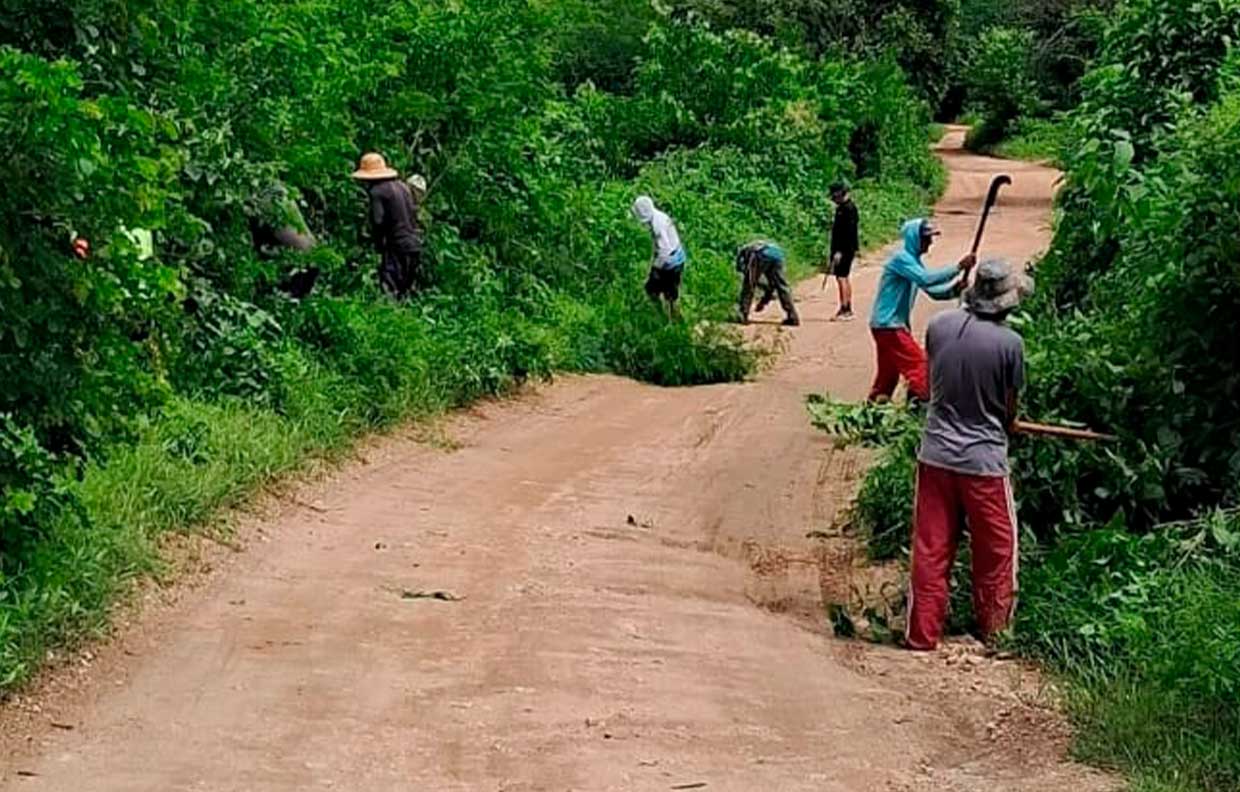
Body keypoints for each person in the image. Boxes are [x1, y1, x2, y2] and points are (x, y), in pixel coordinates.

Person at [905, 259, 1034, 651]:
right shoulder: (1011, 344)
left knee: (930, 547)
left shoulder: (939, 326)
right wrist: (1010, 422)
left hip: (936, 456)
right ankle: (995, 632)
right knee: (997, 548)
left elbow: (933, 379)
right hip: (984, 464)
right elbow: (1008, 409)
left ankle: (921, 635)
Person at [868, 218, 976, 403]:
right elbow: (926, 279)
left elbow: (933, 291)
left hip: (885, 325)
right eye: (926, 238)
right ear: (914, 238)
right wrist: (958, 268)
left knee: (888, 374)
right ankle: (919, 404)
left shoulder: (913, 263)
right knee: (919, 366)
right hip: (889, 325)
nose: (930, 243)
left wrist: (954, 289)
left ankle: (872, 413)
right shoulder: (901, 259)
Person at [352, 152, 423, 299]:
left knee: (390, 288)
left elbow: (378, 221)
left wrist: (377, 244)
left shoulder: (377, 191)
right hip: (414, 243)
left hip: (397, 244)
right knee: (405, 291)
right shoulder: (403, 187)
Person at [632, 196, 687, 319]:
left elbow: (665, 250)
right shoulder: (658, 216)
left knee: (658, 292)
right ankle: (670, 319)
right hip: (675, 259)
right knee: (668, 294)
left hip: (671, 262)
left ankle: (667, 319)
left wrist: (655, 267)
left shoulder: (658, 224)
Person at [736, 239, 799, 326]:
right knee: (781, 286)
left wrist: (749, 276)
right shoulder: (756, 245)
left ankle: (743, 315)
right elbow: (771, 287)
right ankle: (793, 317)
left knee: (749, 284)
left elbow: (748, 278)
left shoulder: (744, 252)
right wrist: (763, 302)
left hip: (762, 254)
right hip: (778, 255)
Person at [828, 181, 860, 321]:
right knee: (843, 277)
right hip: (844, 248)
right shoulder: (842, 208)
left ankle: (845, 309)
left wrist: (839, 251)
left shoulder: (848, 209)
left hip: (844, 249)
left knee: (841, 278)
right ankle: (846, 307)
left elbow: (848, 233)